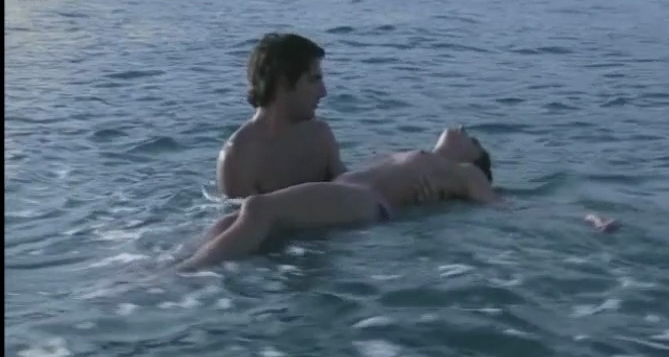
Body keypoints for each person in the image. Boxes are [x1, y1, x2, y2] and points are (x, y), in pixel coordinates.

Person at [177, 127, 499, 271]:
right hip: (347, 193)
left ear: (473, 159)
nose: (462, 128)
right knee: (228, 222)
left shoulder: (467, 173)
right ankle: (169, 262)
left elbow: (498, 207)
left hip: (366, 200)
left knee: (258, 208)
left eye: (473, 140)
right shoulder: (418, 158)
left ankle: (183, 275)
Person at [217, 32, 346, 200]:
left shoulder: (320, 136)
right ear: (283, 82)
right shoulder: (239, 157)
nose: (323, 92)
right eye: (313, 80)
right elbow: (243, 216)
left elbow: (348, 195)